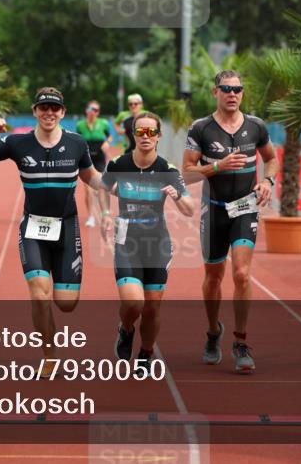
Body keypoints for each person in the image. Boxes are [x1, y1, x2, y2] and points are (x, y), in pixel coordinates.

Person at [0, 87, 106, 368]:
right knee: (38, 291)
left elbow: (92, 178)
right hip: (33, 227)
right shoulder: (18, 143)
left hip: (67, 228)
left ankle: (55, 324)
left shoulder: (77, 143)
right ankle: (49, 355)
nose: (49, 113)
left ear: (63, 113)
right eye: (44, 107)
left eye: (55, 108)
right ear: (35, 111)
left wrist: (123, 191)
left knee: (66, 303)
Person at [182, 70, 278, 374]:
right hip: (214, 209)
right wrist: (218, 166)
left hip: (245, 208)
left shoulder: (256, 127)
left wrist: (268, 181)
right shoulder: (201, 129)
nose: (232, 94)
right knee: (213, 277)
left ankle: (240, 341)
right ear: (215, 92)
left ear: (243, 93)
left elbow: (271, 158)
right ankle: (213, 332)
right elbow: (187, 173)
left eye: (237, 89)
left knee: (241, 274)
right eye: (226, 89)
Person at [100, 113, 194, 374]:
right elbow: (102, 187)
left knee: (152, 306)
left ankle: (146, 351)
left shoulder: (168, 170)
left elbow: (189, 209)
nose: (145, 137)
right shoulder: (119, 164)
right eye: (140, 132)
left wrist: (177, 197)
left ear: (158, 136)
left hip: (157, 244)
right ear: (133, 134)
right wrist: (106, 215)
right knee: (133, 303)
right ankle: (126, 329)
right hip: (127, 243)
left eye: (151, 132)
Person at [75, 100, 113, 227]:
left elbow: (109, 136)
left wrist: (107, 142)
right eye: (91, 109)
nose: (93, 112)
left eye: (96, 110)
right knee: (88, 189)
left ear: (98, 112)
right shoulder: (80, 125)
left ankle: (104, 212)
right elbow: (77, 139)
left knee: (100, 186)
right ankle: (91, 216)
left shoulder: (104, 124)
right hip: (86, 158)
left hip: (100, 159)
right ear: (86, 110)